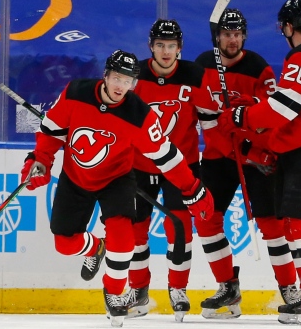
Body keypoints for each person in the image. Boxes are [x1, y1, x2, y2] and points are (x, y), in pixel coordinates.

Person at [19, 49, 214, 328]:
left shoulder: (139, 114)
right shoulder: (76, 92)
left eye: (128, 81)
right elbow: (52, 133)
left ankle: (114, 292)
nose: (121, 86)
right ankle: (96, 248)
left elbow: (168, 157)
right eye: (117, 78)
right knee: (64, 243)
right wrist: (40, 160)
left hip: (117, 179)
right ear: (106, 76)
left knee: (124, 237)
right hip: (76, 177)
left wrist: (192, 187)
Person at [218, 0, 301, 326]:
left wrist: (243, 116)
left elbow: (284, 108)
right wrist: (253, 117)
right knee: (292, 224)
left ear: (289, 27)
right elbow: (292, 105)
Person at [194, 8, 299, 318]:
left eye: (237, 34)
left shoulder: (259, 68)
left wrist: (256, 150)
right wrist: (239, 149)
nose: (232, 39)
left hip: (256, 157)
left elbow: (272, 118)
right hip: (219, 156)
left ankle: (290, 291)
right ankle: (228, 289)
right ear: (218, 37)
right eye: (227, 34)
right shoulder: (201, 67)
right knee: (206, 219)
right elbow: (208, 125)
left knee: (272, 226)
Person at [123, 19, 221, 322]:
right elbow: (118, 119)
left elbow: (213, 120)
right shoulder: (133, 76)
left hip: (182, 166)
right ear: (151, 46)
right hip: (140, 164)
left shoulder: (194, 75)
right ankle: (138, 291)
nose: (166, 52)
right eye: (160, 45)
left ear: (180, 48)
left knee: (179, 227)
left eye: (171, 46)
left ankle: (178, 289)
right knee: (135, 230)